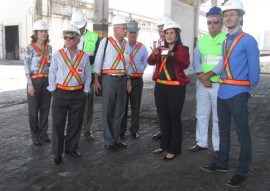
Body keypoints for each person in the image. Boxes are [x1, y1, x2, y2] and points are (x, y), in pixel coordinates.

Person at [201, 0, 260, 187]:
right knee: (223, 131)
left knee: (243, 135)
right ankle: (222, 163)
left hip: (237, 93)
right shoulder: (226, 40)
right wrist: (211, 75)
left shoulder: (248, 40)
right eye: (226, 15)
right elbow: (223, 65)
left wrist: (243, 90)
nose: (228, 17)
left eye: (232, 14)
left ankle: (242, 171)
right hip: (223, 91)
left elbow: (255, 73)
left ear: (240, 17)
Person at [48, 25, 91, 165]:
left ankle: (71, 148)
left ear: (78, 39)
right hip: (60, 93)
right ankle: (57, 153)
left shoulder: (84, 56)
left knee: (75, 123)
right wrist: (54, 89)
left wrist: (85, 91)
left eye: (71, 37)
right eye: (65, 37)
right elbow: (52, 72)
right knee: (57, 124)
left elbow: (87, 75)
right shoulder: (58, 54)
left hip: (78, 94)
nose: (67, 40)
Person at [148, 20, 190, 160]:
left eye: (171, 33)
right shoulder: (160, 49)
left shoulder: (183, 49)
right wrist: (154, 53)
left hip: (176, 88)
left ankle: (174, 148)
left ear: (177, 35)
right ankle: (164, 144)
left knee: (174, 118)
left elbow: (185, 64)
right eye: (166, 33)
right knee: (163, 117)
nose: (169, 35)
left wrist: (171, 54)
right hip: (160, 86)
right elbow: (150, 62)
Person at [189, 6, 226, 158]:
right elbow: (196, 59)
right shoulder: (202, 40)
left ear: (221, 23)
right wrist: (202, 76)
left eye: (215, 22)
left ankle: (217, 147)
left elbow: (224, 61)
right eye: (209, 22)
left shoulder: (226, 39)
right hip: (203, 84)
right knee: (201, 114)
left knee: (218, 117)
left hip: (218, 85)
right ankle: (201, 142)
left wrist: (208, 76)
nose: (212, 25)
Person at [94, 15, 131, 152]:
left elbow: (128, 64)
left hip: (122, 79)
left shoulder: (126, 44)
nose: (125, 31)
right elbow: (98, 61)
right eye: (123, 28)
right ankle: (108, 140)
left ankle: (116, 138)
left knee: (120, 110)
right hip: (108, 79)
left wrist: (128, 80)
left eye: (126, 28)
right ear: (115, 29)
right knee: (108, 111)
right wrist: (96, 80)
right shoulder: (106, 42)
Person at [71, 10, 100, 140]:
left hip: (89, 76)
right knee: (73, 105)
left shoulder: (94, 37)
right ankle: (73, 129)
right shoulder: (70, 36)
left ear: (85, 24)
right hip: (73, 77)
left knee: (88, 105)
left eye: (81, 27)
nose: (79, 30)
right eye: (77, 27)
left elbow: (97, 58)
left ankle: (87, 129)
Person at [24, 20, 52, 146]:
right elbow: (26, 66)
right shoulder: (30, 48)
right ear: (35, 33)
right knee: (33, 111)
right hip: (34, 81)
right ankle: (35, 135)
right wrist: (29, 84)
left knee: (45, 109)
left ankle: (43, 133)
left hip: (46, 80)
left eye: (45, 31)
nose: (43, 33)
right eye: (41, 31)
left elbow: (51, 65)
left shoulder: (49, 48)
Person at [120, 20, 148, 139]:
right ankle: (121, 130)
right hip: (124, 79)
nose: (132, 34)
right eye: (130, 32)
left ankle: (134, 130)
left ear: (137, 34)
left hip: (137, 80)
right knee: (123, 106)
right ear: (127, 33)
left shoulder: (142, 48)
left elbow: (146, 63)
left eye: (134, 32)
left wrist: (137, 71)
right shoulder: (121, 46)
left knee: (136, 106)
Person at [152, 15, 172, 140]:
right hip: (159, 80)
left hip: (170, 81)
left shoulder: (175, 42)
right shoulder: (159, 42)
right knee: (160, 108)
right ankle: (163, 130)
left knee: (170, 109)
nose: (160, 30)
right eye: (158, 27)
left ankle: (170, 132)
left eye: (162, 27)